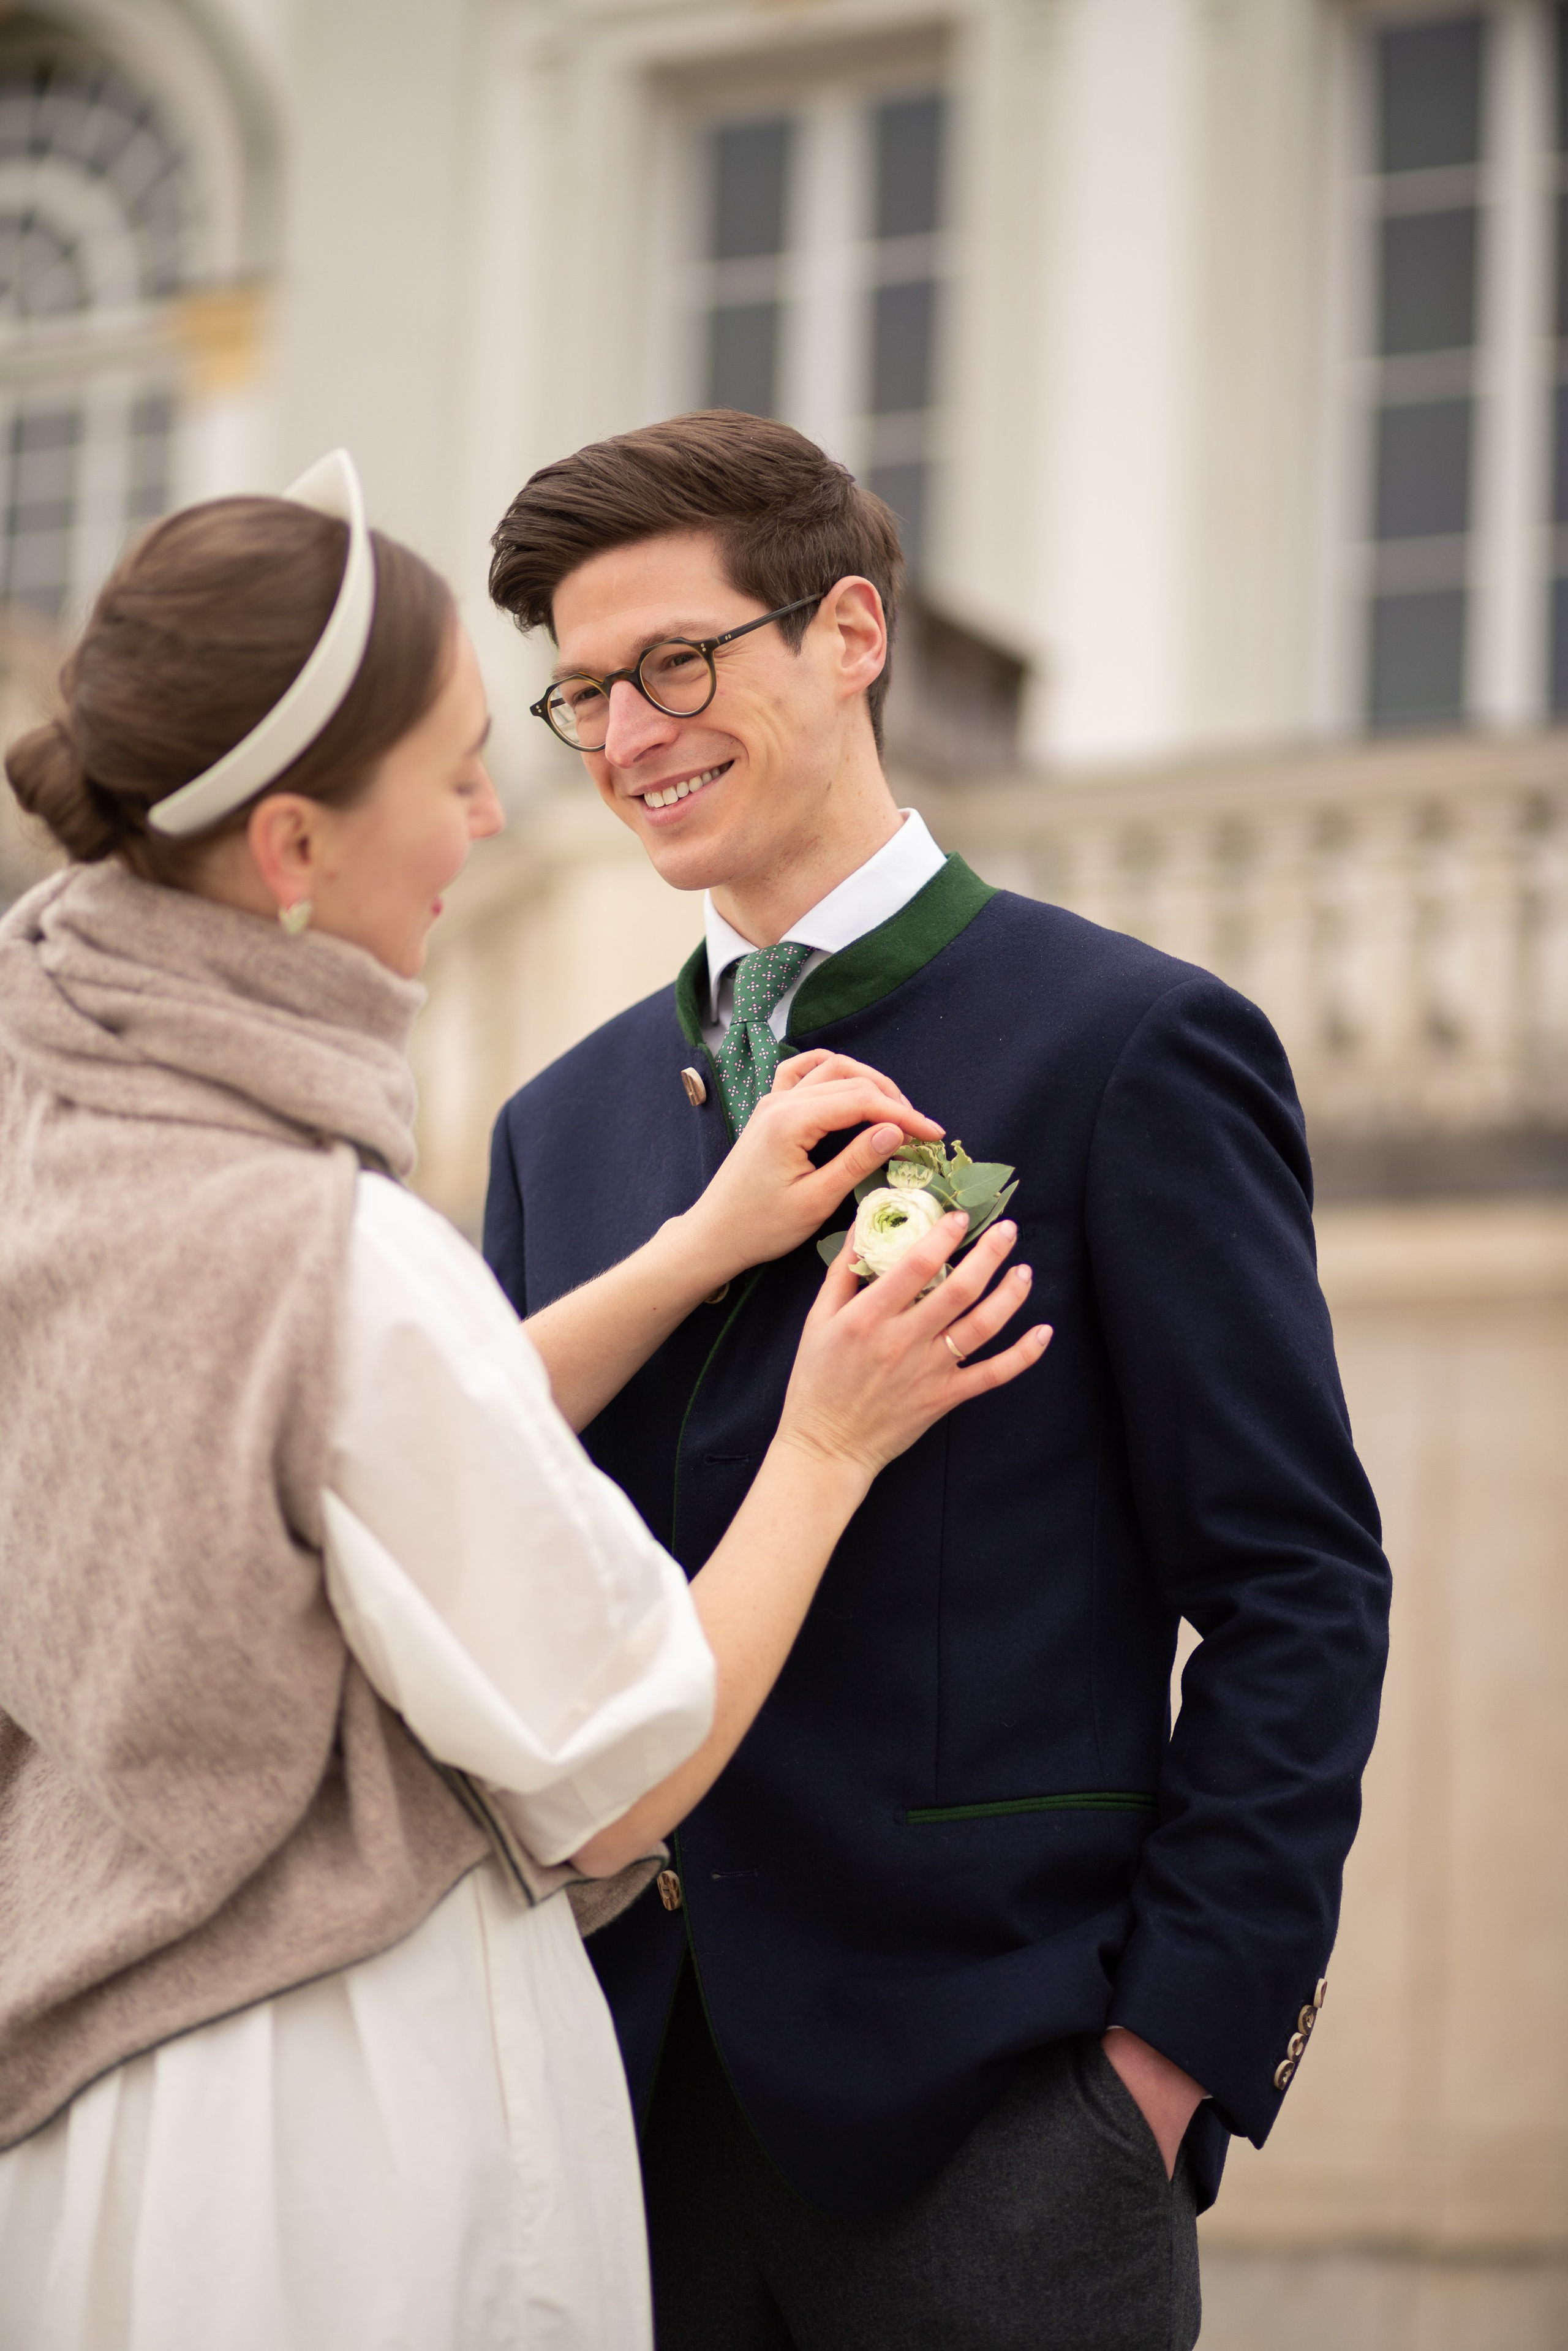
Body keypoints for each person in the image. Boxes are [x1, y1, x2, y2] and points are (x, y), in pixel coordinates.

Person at [0, 453, 1046, 2351]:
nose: (496, 817)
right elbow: (626, 1768)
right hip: (340, 2152)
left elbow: (329, 1439)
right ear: (294, 848)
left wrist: (690, 1254)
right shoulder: (332, 1248)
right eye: (462, 768)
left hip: (98, 2136)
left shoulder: (56, 1151)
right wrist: (826, 1446)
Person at [482, 409, 1393, 2351]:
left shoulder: (1133, 1046)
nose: (629, 737)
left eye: (676, 664)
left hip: (1005, 2126)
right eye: (584, 695)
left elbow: (1296, 1587)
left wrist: (1164, 2064)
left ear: (850, 634)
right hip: (611, 2127)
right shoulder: (554, 1134)